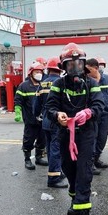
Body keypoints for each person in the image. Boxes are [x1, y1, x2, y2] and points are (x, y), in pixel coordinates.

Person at [44, 43, 105, 215]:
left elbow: (99, 105)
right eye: (71, 65)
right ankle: (74, 197)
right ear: (64, 67)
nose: (75, 68)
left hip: (86, 134)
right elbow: (49, 108)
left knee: (84, 173)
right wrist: (57, 115)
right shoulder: (58, 85)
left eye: (79, 64)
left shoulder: (92, 84)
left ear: (84, 64)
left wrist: (89, 113)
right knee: (69, 170)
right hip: (64, 135)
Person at [34, 56, 68, 188]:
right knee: (56, 149)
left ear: (48, 70)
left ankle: (56, 172)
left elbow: (36, 105)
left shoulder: (42, 84)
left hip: (46, 121)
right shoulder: (61, 83)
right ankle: (53, 178)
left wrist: (37, 115)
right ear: (60, 70)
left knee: (50, 148)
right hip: (57, 120)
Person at [85, 58, 108, 174]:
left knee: (102, 138)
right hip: (93, 114)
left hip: (105, 114)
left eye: (89, 69)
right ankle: (90, 163)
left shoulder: (107, 79)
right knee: (92, 138)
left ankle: (96, 159)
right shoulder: (87, 80)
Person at [15, 62, 48, 170]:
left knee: (42, 140)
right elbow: (18, 100)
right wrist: (18, 112)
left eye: (40, 72)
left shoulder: (44, 84)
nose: (39, 74)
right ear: (31, 73)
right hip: (30, 119)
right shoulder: (24, 86)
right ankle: (27, 159)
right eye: (36, 72)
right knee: (28, 140)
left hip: (42, 119)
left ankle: (38, 157)